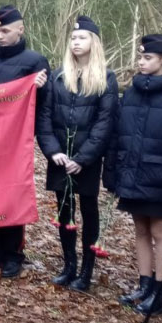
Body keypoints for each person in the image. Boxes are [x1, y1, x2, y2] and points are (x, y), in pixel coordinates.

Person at [104, 34, 162, 314]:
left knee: (160, 231)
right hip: (132, 173)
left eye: (147, 57)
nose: (141, 62)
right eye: (140, 57)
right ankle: (144, 284)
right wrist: (113, 171)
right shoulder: (131, 91)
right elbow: (118, 135)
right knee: (140, 229)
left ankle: (159, 294)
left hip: (160, 177)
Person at [37, 16, 119, 292]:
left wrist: (83, 158)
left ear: (93, 43)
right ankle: (68, 265)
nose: (76, 42)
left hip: (87, 160)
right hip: (61, 157)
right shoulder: (59, 77)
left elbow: (105, 123)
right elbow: (45, 117)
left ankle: (86, 272)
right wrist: (53, 152)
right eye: (73, 38)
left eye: (82, 37)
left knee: (88, 210)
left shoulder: (106, 79)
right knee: (65, 210)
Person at [0, 4, 49, 278]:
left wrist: (39, 88)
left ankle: (14, 254)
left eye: (5, 30)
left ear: (20, 29)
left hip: (15, 144)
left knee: (12, 195)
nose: (0, 36)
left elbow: (42, 105)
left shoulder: (35, 62)